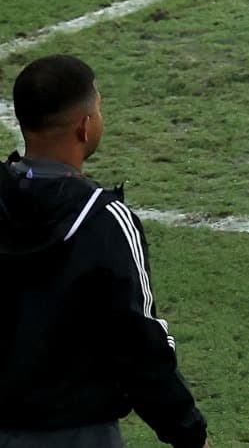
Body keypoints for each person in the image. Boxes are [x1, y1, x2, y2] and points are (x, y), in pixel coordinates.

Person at [0, 55, 210, 448]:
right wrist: (187, 432)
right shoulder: (106, 221)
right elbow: (139, 343)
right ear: (85, 126)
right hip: (78, 435)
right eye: (97, 105)